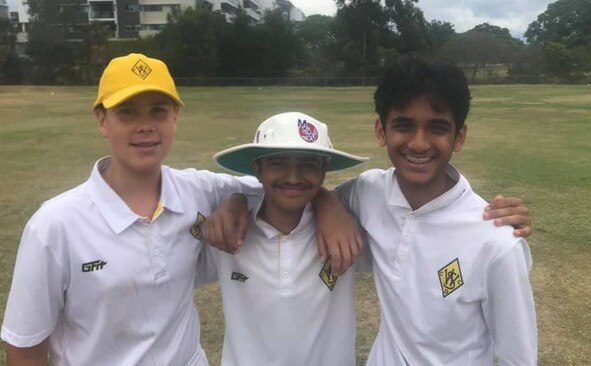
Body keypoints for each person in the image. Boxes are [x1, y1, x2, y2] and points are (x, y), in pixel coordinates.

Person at [0, 54, 360, 366]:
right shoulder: (54, 224)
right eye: (127, 112)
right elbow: (24, 347)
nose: (145, 126)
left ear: (175, 116)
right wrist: (240, 201)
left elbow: (281, 189)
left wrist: (328, 203)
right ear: (102, 120)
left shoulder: (198, 192)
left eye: (158, 111)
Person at [334, 58, 537, 365]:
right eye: (403, 125)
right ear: (381, 131)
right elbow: (309, 198)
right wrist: (326, 207)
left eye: (437, 128)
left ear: (459, 137)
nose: (418, 144)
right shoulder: (368, 191)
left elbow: (518, 356)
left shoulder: (495, 241)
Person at [199, 111, 370, 365]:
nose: (293, 176)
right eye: (278, 163)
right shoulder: (229, 233)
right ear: (257, 169)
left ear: (324, 170)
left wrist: (328, 200)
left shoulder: (346, 231)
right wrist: (237, 200)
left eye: (308, 164)